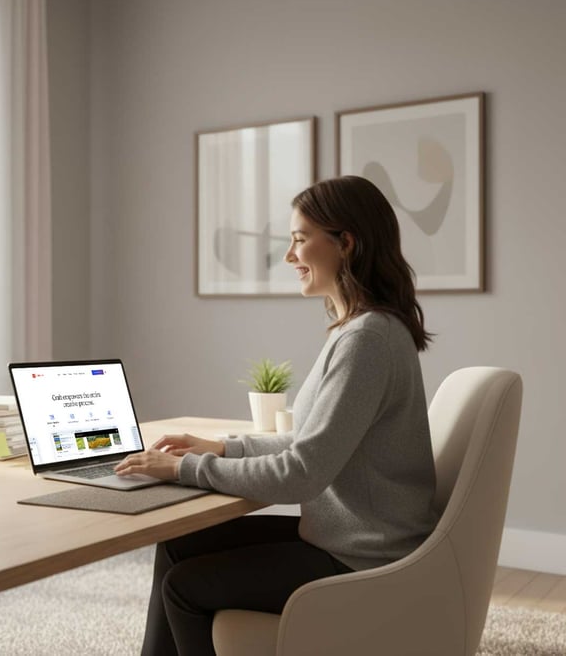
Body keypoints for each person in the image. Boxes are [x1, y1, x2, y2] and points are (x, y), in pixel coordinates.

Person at [114, 175, 440, 656]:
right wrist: (220, 448)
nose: (290, 257)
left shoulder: (367, 340)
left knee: (185, 585)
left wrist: (184, 468)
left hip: (361, 558)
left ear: (346, 242)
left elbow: (300, 475)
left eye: (299, 239)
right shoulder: (361, 331)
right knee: (178, 544)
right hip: (351, 538)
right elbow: (309, 442)